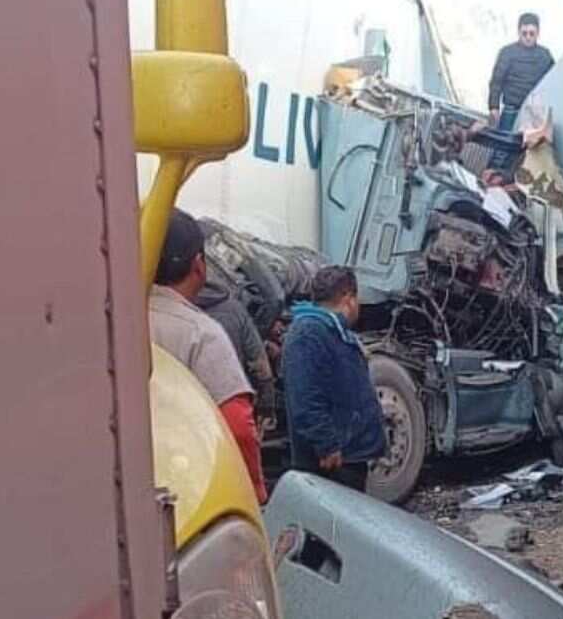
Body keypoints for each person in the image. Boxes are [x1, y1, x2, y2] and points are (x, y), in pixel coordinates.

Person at [148, 209, 268, 503]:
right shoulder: (201, 334)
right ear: (199, 265)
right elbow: (237, 426)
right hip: (191, 490)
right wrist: (254, 488)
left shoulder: (118, 320)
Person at [281, 266, 386, 491]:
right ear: (348, 298)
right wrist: (326, 444)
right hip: (332, 463)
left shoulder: (332, 331)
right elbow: (305, 397)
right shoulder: (308, 334)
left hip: (348, 456)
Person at [195, 278, 277, 425]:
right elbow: (258, 362)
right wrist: (267, 405)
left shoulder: (160, 311)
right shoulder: (234, 309)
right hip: (229, 404)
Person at [488, 12, 554, 131]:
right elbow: (496, 82)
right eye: (524, 33)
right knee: (504, 143)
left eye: (532, 33)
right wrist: (494, 107)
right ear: (518, 32)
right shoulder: (507, 53)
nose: (528, 37)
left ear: (538, 33)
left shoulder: (545, 55)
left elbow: (553, 82)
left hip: (536, 114)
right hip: (511, 112)